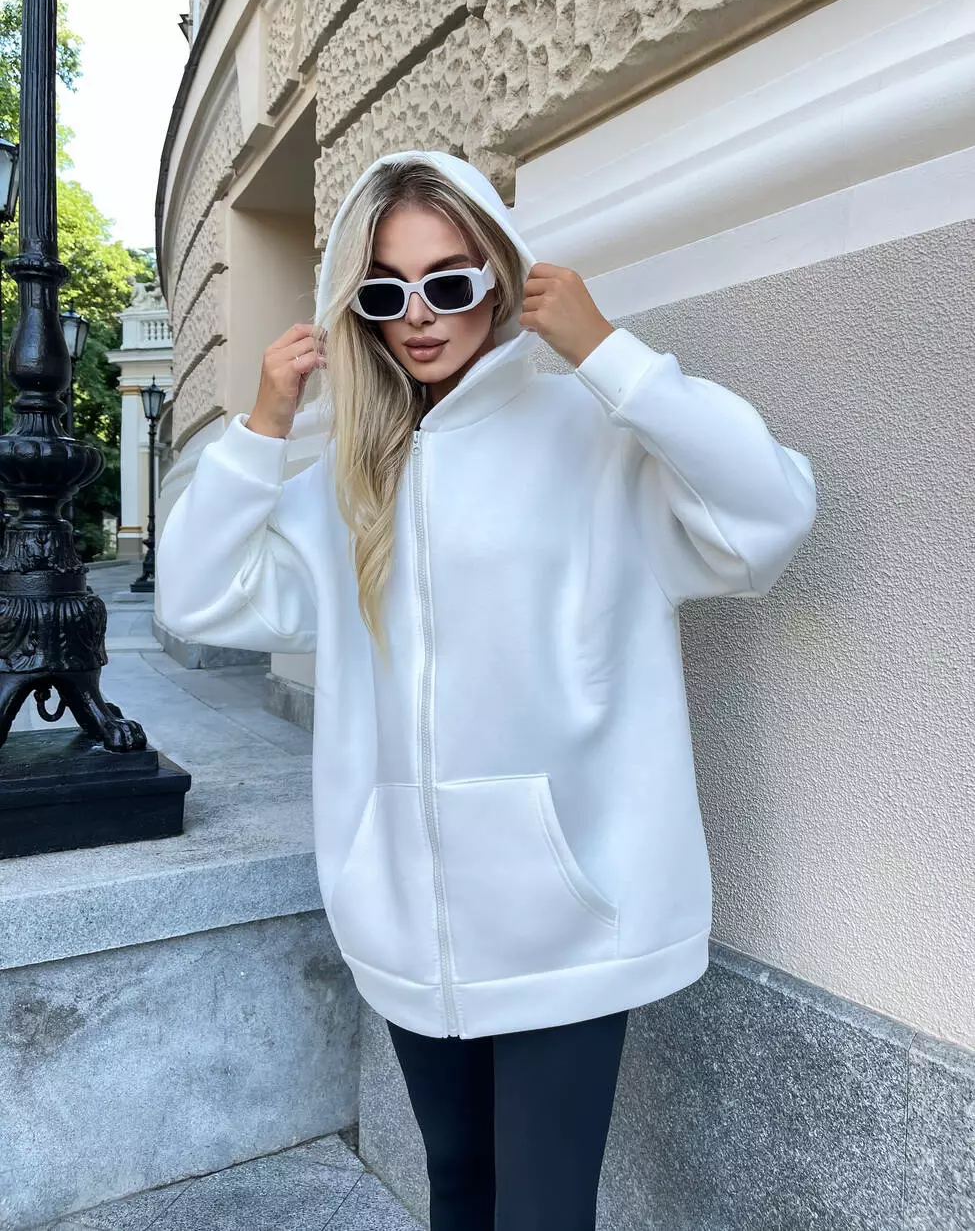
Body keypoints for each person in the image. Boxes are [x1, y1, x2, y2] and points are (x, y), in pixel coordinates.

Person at [156, 149, 817, 1229]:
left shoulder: (592, 434)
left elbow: (772, 516)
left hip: (566, 919)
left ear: (500, 277)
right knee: (458, 1188)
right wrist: (264, 425)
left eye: (449, 281)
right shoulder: (351, 476)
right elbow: (196, 597)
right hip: (404, 918)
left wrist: (609, 355)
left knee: (541, 1211)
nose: (419, 315)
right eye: (385, 292)